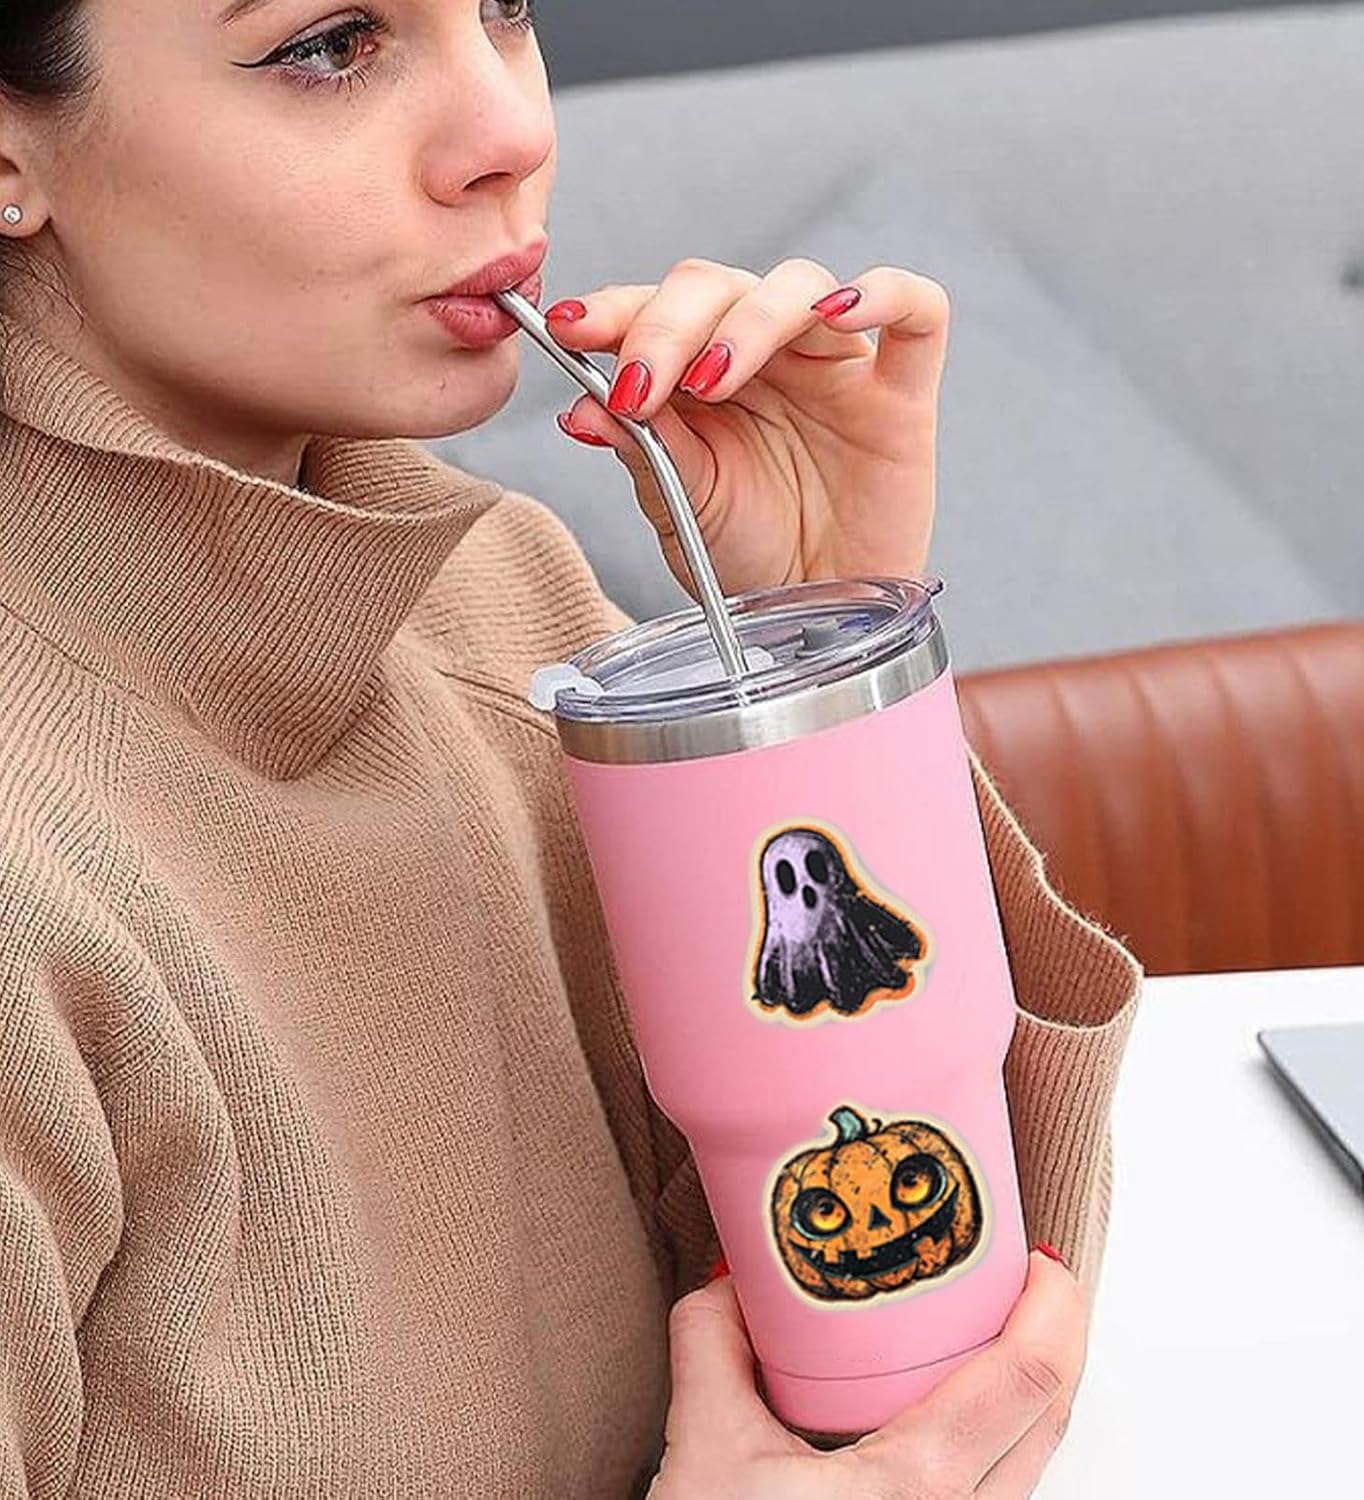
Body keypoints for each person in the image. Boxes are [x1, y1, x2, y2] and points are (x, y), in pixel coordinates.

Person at [0, 1, 1141, 1495]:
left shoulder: (496, 598)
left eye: (505, 5)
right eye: (329, 44)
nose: (512, 130)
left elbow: (925, 1388)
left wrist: (811, 693)